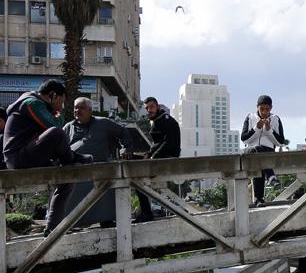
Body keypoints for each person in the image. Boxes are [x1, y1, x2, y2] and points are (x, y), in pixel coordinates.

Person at [3, 80, 92, 235]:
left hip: (29, 153)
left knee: (67, 176)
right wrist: (57, 113)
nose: (61, 106)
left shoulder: (38, 105)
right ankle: (72, 157)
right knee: (57, 133)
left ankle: (53, 228)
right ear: (52, 95)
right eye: (61, 102)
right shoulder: (31, 103)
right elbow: (56, 127)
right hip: (19, 157)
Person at [62, 97, 135, 227]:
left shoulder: (104, 123)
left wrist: (126, 148)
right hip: (76, 173)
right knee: (72, 204)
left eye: (82, 108)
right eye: (76, 108)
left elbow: (123, 132)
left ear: (90, 110)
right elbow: (60, 147)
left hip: (100, 171)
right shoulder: (68, 127)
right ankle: (71, 225)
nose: (77, 111)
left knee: (104, 198)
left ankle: (106, 220)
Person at [134, 96, 182, 222]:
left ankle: (146, 213)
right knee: (132, 163)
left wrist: (153, 157)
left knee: (138, 177)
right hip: (160, 157)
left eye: (152, 107)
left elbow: (169, 143)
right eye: (147, 108)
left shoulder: (166, 121)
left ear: (158, 107)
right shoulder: (158, 121)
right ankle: (145, 212)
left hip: (168, 159)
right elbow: (158, 143)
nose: (149, 110)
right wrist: (148, 154)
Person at [241, 95, 285, 206]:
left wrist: (269, 130)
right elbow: (244, 139)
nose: (264, 112)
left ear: (271, 108)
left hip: (267, 153)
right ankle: (271, 178)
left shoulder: (275, 119)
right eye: (262, 109)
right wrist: (256, 128)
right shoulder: (250, 117)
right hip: (250, 151)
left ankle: (259, 199)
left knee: (260, 163)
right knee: (257, 150)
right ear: (257, 107)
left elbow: (280, 142)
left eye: (267, 109)